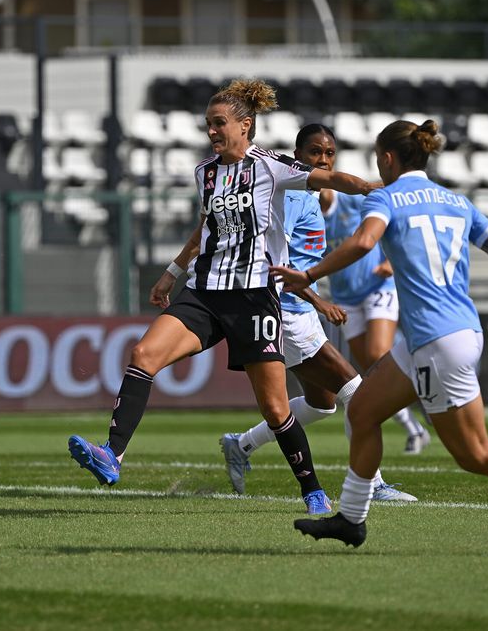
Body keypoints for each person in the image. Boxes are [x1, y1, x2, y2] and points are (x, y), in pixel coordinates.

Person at [271, 119, 488, 552]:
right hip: (450, 331)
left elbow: (365, 242)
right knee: (363, 410)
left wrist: (309, 274)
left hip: (436, 340)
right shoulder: (455, 201)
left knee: (474, 454)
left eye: (377, 158)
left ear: (387, 159)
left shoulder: (388, 198)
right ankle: (351, 519)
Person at [67, 79, 378, 515]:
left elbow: (329, 178)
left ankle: (311, 489)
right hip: (205, 292)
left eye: (219, 124)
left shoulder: (271, 167)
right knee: (143, 354)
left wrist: (372, 189)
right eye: (208, 124)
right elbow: (205, 228)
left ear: (245, 125)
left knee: (273, 407)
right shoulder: (205, 172)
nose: (212, 131)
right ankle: (111, 455)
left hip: (253, 298)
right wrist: (172, 273)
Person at [220, 123, 418, 503]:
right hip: (284, 310)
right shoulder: (292, 197)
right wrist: (318, 300)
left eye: (329, 153)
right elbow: (273, 262)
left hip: (297, 309)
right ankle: (372, 485)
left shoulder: (312, 197)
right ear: (298, 157)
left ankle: (241, 445)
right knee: (356, 391)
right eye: (315, 153)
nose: (323, 160)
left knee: (321, 404)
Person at [320, 127, 432, 455]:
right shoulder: (306, 209)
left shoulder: (354, 197)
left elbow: (391, 214)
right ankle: (414, 427)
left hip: (377, 285)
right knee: (370, 371)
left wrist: (393, 262)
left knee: (379, 353)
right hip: (344, 295)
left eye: (328, 157)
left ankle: (429, 388)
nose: (322, 165)